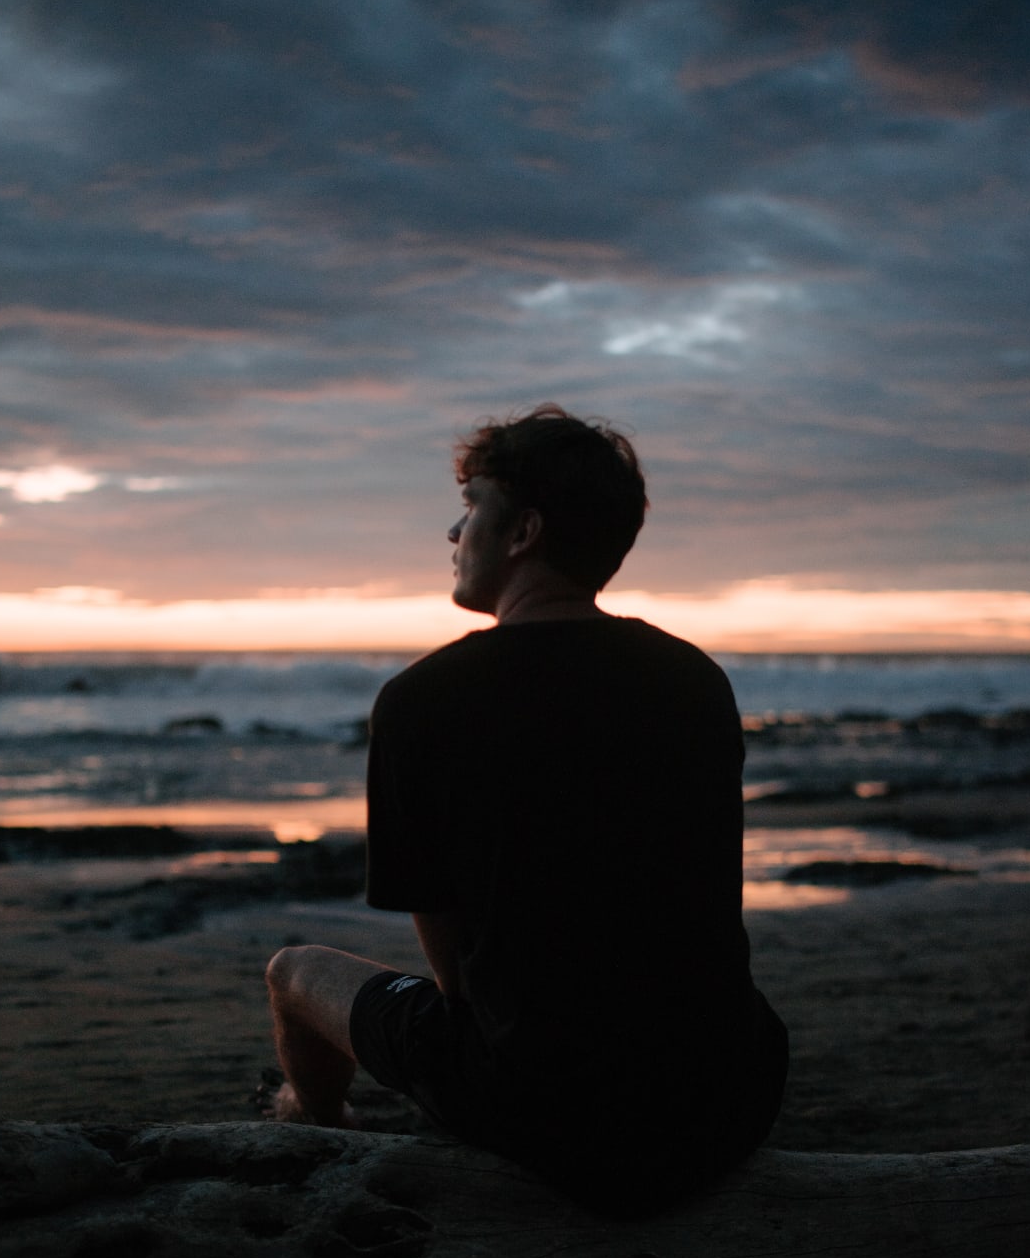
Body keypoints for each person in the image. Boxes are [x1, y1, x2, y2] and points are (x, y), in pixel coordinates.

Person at [265, 405, 787, 1216]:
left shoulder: (422, 702)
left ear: (523, 533)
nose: (452, 531)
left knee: (293, 972)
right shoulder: (693, 680)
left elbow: (453, 978)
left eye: (471, 506)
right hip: (730, 1090)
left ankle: (318, 1121)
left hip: (544, 1113)